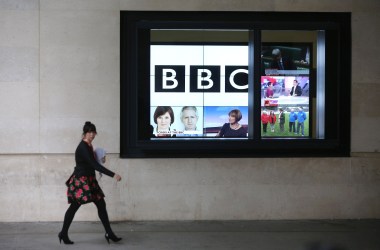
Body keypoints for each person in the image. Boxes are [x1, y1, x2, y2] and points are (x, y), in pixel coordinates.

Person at [59, 121, 122, 245]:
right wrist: (113, 174)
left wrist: (100, 157)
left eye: (94, 132)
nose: (92, 135)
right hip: (81, 182)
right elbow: (93, 164)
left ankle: (109, 233)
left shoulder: (89, 145)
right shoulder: (83, 147)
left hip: (89, 180)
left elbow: (93, 162)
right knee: (74, 207)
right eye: (89, 132)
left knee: (101, 204)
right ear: (85, 133)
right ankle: (63, 233)